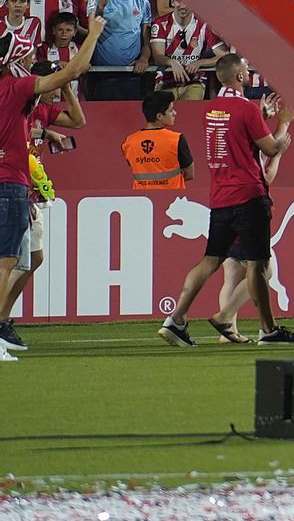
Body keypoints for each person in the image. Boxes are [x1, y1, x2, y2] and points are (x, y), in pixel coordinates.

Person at [157, 53, 294, 348]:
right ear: (239, 76)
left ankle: (175, 321)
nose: (249, 74)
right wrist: (284, 123)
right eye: (246, 71)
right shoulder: (246, 109)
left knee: (211, 259)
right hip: (249, 196)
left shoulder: (212, 109)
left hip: (220, 196)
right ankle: (268, 330)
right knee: (259, 265)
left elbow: (235, 138)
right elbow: (272, 147)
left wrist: (261, 117)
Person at [0, 18, 103, 359]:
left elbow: (76, 119)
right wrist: (97, 32)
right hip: (10, 182)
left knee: (22, 259)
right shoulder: (16, 88)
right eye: (26, 58)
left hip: (15, 183)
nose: (30, 63)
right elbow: (73, 71)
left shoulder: (23, 100)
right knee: (6, 262)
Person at [121, 90, 192, 190]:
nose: (175, 113)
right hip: (172, 198)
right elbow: (190, 174)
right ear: (159, 116)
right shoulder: (177, 139)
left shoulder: (129, 142)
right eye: (171, 110)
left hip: (142, 200)